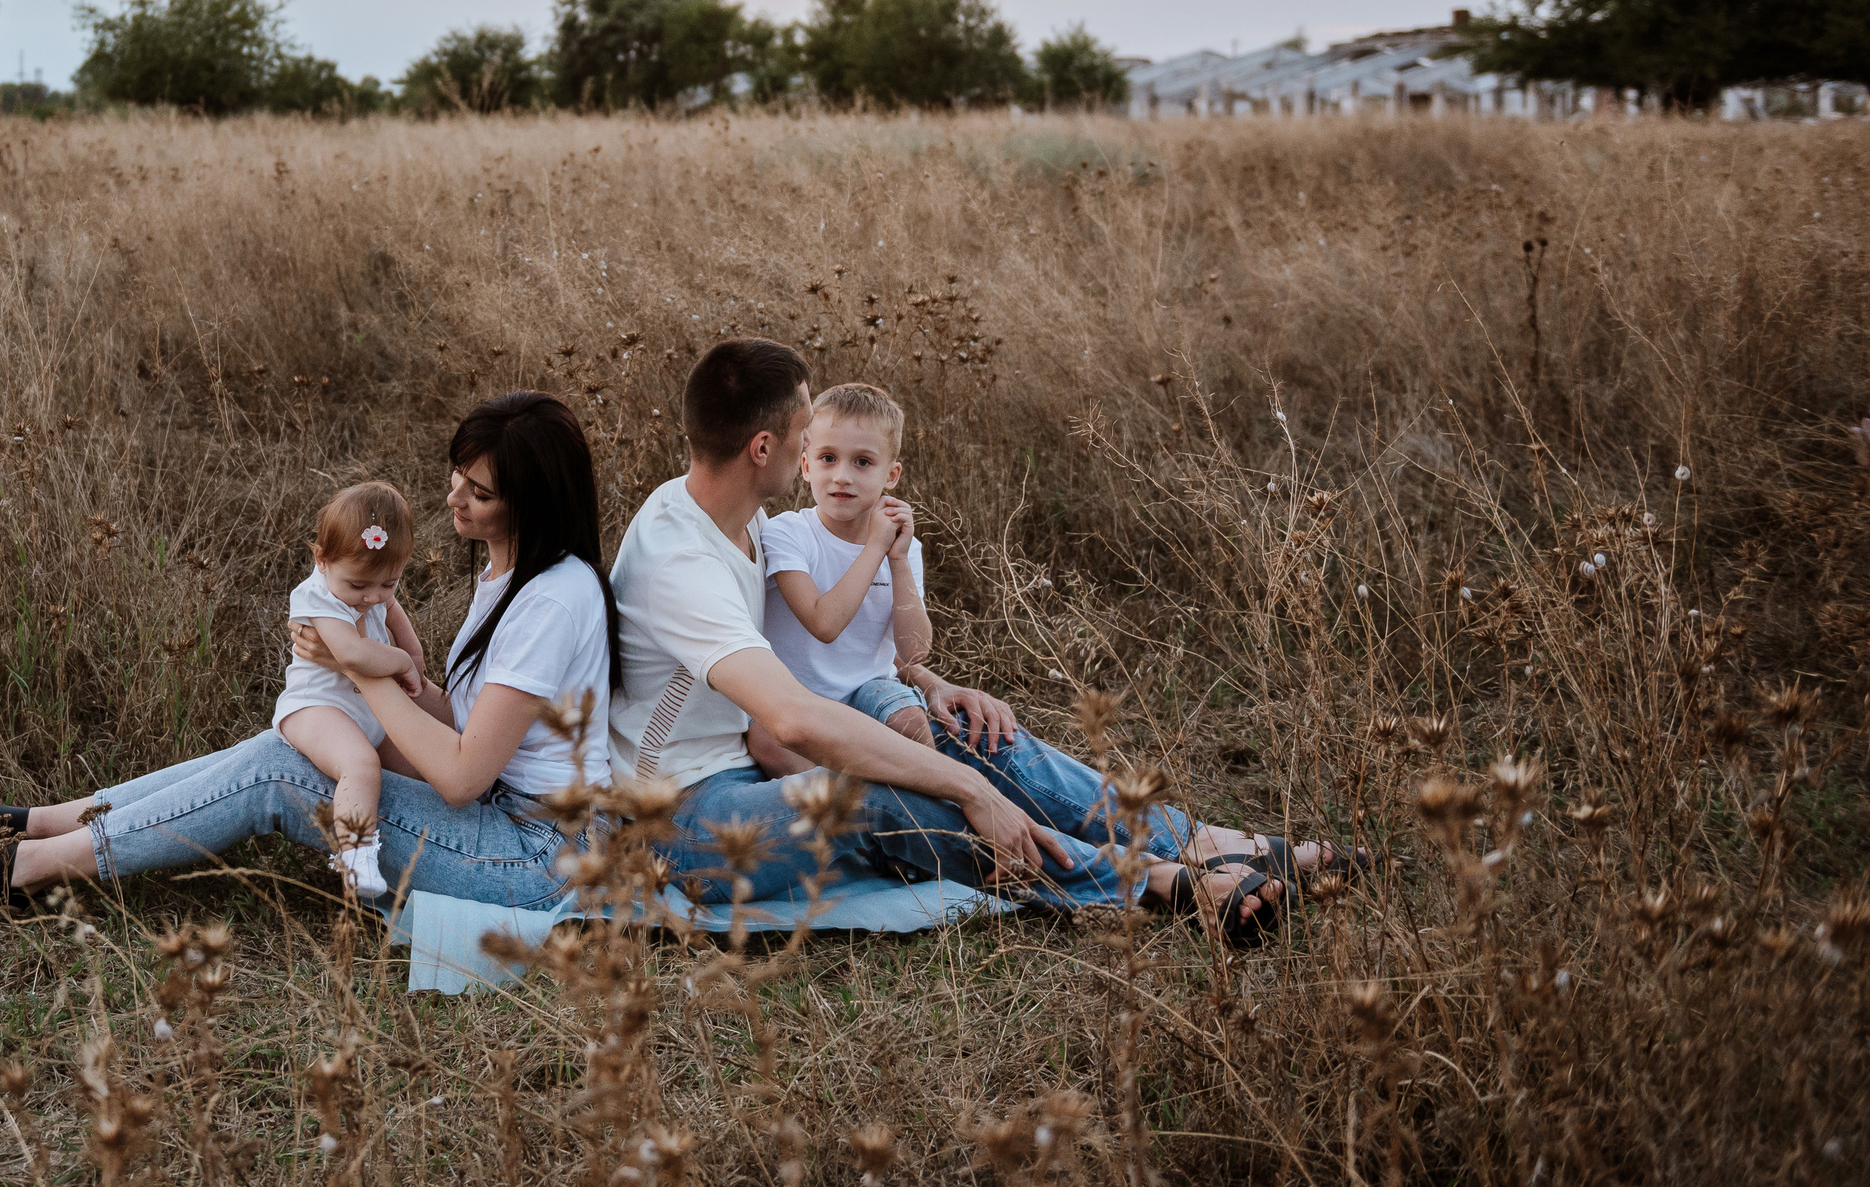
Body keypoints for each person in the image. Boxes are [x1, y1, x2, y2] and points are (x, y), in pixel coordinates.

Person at [612, 338, 1353, 944]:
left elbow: (827, 665)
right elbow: (794, 718)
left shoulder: (744, 521)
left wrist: (929, 685)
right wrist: (972, 793)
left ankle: (1196, 839)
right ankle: (1163, 883)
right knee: (868, 793)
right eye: (809, 435)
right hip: (684, 817)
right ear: (767, 447)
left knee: (969, 730)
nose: (818, 446)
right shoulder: (682, 558)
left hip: (752, 759)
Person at [0, 392, 619, 913]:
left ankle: (26, 869)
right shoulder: (511, 569)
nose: (454, 497)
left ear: (532, 502)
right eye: (457, 474)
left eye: (480, 490)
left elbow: (463, 776)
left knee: (281, 767)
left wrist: (356, 670)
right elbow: (461, 718)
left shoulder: (552, 599)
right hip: (509, 820)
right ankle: (52, 817)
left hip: (534, 857)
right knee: (293, 741)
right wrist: (383, 675)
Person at [744, 382, 931, 776]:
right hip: (801, 699)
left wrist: (896, 560)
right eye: (828, 458)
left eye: (863, 462)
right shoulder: (788, 533)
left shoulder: (901, 546)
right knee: (763, 740)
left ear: (891, 474)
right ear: (806, 465)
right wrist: (874, 549)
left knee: (911, 721)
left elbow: (914, 651)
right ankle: (854, 815)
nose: (842, 476)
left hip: (869, 691)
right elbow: (823, 623)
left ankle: (933, 815)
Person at [270, 481, 428, 898]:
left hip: (363, 710)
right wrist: (400, 662)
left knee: (416, 767)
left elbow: (394, 613)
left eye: (389, 583)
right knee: (360, 764)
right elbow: (352, 655)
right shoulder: (317, 595)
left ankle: (423, 859)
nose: (372, 597)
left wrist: (415, 652)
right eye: (358, 587)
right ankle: (355, 857)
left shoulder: (370, 587)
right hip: (315, 708)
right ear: (321, 559)